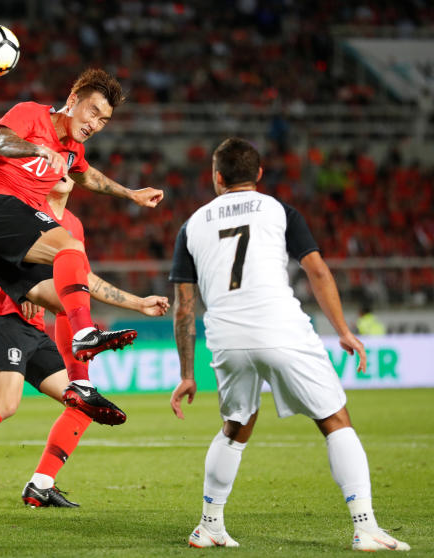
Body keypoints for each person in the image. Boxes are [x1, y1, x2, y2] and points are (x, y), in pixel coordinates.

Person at [168, 137, 410, 551]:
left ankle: (209, 526)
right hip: (279, 327)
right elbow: (317, 270)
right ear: (259, 174)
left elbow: (184, 308)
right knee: (334, 419)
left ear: (218, 177)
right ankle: (366, 527)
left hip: (226, 337)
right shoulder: (279, 211)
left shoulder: (192, 225)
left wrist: (187, 374)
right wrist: (343, 330)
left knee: (235, 427)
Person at [0, 176, 169, 509]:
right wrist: (21, 290)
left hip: (36, 329)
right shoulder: (22, 209)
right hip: (3, 320)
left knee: (84, 404)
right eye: (54, 163)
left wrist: (138, 303)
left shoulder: (72, 226)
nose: (61, 170)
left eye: (67, 164)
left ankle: (41, 484)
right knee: (3, 404)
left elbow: (80, 281)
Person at [0, 68, 164, 426]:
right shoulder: (31, 113)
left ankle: (80, 383)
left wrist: (131, 194)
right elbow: (2, 142)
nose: (95, 124)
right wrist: (38, 148)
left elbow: (88, 175)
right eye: (93, 112)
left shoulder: (73, 150)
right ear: (72, 101)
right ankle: (85, 337)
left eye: (104, 120)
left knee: (68, 298)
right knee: (70, 246)